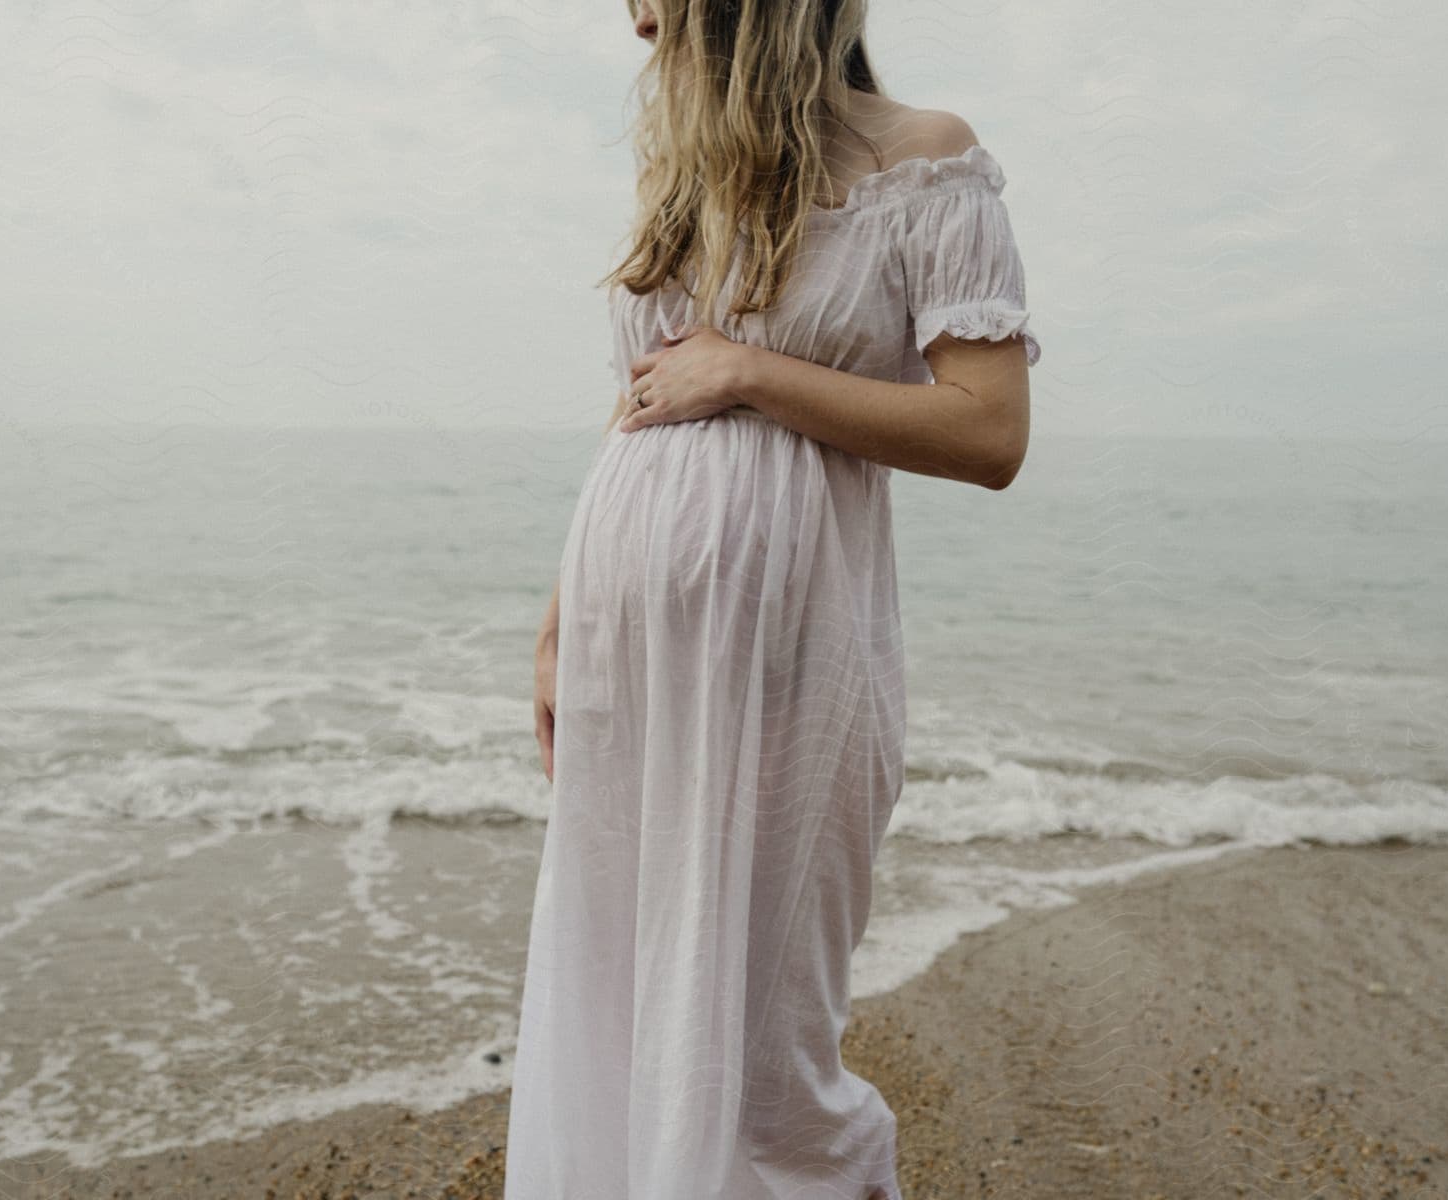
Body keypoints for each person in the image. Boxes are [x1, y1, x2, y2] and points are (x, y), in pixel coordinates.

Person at [506, 0, 1039, 1195]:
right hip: (626, 654)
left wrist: (748, 367)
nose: (635, 20)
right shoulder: (682, 175)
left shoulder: (925, 159)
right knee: (621, 1000)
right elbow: (641, 405)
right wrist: (557, 626)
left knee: (764, 1055)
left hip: (799, 647)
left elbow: (990, 431)